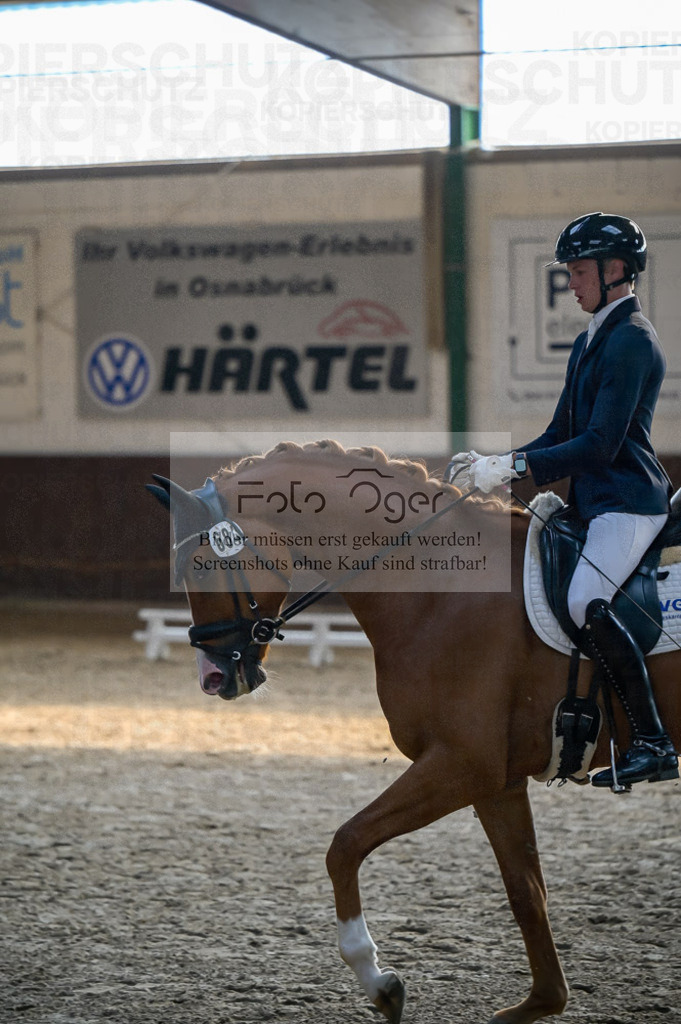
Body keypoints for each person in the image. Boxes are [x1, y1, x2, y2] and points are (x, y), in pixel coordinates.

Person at [448, 211, 678, 788]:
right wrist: (497, 464)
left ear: (615, 269)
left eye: (578, 272)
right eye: (569, 272)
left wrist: (516, 468)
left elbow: (601, 444)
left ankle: (652, 742)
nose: (570, 283)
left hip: (628, 502)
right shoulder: (589, 341)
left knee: (585, 600)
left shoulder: (633, 340)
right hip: (593, 503)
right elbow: (559, 434)